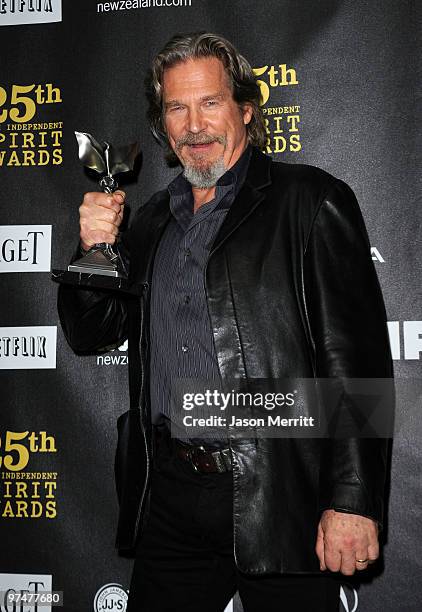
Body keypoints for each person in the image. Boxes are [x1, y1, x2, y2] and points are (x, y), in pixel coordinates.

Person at [58, 32, 393, 612]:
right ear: (162, 124)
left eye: (210, 102)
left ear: (245, 108)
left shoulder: (310, 200)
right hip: (169, 494)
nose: (194, 124)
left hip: (280, 491)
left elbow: (356, 361)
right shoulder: (151, 221)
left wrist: (353, 499)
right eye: (176, 107)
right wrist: (91, 251)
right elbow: (93, 335)